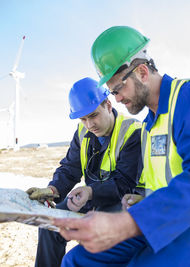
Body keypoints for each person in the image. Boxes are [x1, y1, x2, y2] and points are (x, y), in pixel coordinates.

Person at [53, 26, 190, 266]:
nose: (117, 99)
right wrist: (144, 202)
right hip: (175, 220)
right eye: (112, 91)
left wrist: (126, 223)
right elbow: (169, 181)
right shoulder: (150, 124)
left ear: (142, 72)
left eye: (118, 89)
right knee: (77, 260)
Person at [26, 77, 142, 267]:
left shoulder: (133, 132)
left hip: (123, 202)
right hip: (91, 199)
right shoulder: (82, 132)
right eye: (83, 119)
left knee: (91, 246)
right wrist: (54, 189)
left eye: (93, 115)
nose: (89, 124)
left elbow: (125, 183)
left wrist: (90, 192)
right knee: (49, 225)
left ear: (108, 104)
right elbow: (70, 168)